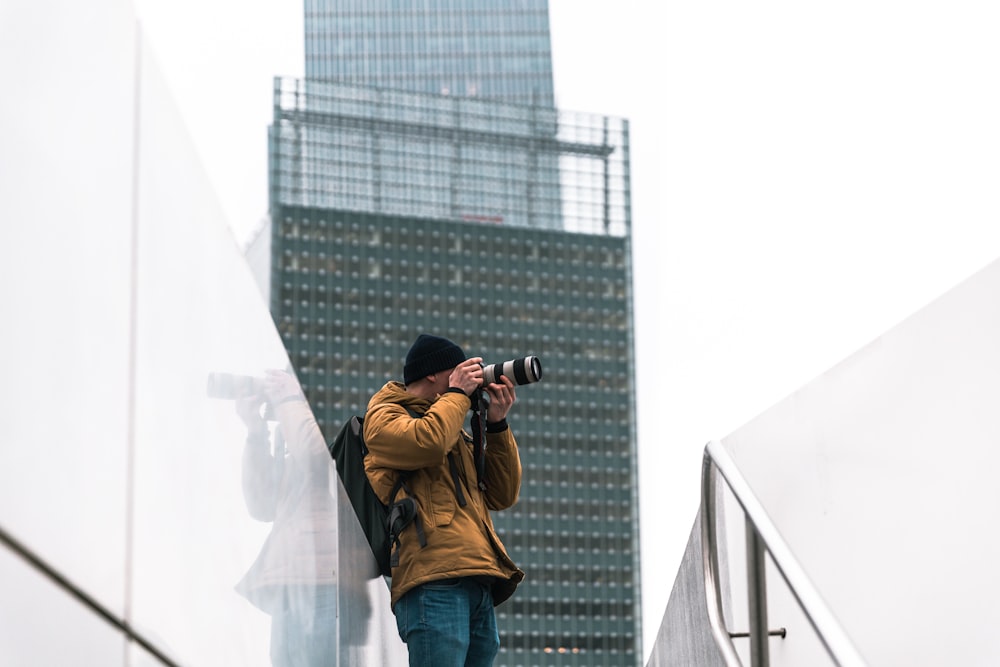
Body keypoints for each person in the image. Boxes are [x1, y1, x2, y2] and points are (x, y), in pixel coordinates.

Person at [363, 334, 525, 667]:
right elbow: (428, 443)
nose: (471, 377)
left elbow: (503, 493)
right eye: (459, 369)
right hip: (432, 581)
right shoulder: (385, 417)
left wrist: (497, 424)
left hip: (478, 577)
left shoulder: (453, 428)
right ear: (434, 374)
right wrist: (455, 395)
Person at [233, 369, 340, 666]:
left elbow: (314, 455)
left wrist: (290, 399)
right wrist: (256, 431)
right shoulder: (290, 437)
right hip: (289, 582)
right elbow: (261, 503)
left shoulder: (326, 430)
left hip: (325, 581)